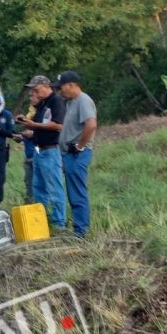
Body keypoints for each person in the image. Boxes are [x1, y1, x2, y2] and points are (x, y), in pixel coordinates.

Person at [16, 75, 67, 231]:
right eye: (32, 89)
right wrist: (27, 124)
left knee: (54, 187)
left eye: (36, 88)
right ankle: (41, 221)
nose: (34, 92)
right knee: (38, 187)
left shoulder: (56, 101)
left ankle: (59, 223)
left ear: (46, 86)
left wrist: (34, 125)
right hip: (38, 150)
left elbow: (59, 125)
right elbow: (39, 126)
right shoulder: (41, 104)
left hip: (51, 150)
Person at [55, 71, 98, 238]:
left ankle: (81, 231)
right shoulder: (71, 103)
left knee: (77, 192)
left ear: (72, 85)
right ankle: (78, 228)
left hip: (78, 153)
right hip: (69, 153)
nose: (59, 91)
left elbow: (91, 125)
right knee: (73, 192)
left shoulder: (83, 100)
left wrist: (80, 146)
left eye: (61, 87)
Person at [11, 104, 37, 204]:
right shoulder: (28, 124)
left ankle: (41, 206)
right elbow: (25, 136)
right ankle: (30, 204)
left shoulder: (40, 121)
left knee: (38, 184)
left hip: (37, 155)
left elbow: (37, 135)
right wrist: (19, 136)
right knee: (28, 183)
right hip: (28, 157)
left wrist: (30, 134)